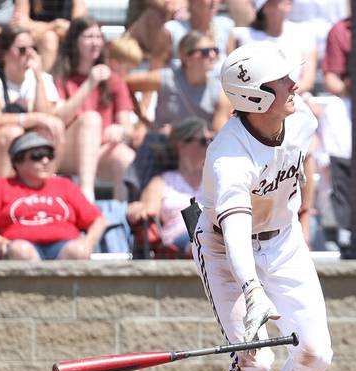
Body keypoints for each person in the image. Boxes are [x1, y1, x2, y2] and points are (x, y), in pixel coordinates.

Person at [191, 41, 333, 371]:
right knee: (254, 359)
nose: (294, 85)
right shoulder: (228, 156)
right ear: (254, 97)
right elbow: (234, 225)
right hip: (224, 247)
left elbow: (300, 164)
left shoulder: (301, 117)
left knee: (315, 353)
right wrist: (251, 287)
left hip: (285, 239)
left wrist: (303, 217)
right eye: (281, 82)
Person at [0, 131, 107, 260]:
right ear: (18, 162)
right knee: (21, 251)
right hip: (20, 244)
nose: (45, 161)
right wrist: (0, 242)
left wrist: (88, 244)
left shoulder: (64, 185)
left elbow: (97, 220)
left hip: (64, 244)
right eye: (36, 156)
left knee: (77, 251)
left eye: (49, 155)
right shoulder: (2, 185)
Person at [53, 17, 137, 202]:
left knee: (126, 157)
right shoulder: (60, 77)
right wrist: (90, 83)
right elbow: (59, 119)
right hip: (67, 151)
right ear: (74, 41)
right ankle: (87, 197)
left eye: (99, 36)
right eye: (89, 36)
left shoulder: (113, 80)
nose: (95, 42)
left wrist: (121, 131)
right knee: (91, 119)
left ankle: (119, 218)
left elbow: (129, 129)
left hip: (100, 151)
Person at [0, 26, 64, 180]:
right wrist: (34, 118)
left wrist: (38, 77)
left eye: (34, 48)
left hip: (25, 149)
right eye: (22, 49)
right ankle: (6, 196)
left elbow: (47, 119)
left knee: (51, 129)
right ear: (4, 53)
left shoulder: (43, 79)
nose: (30, 55)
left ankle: (46, 190)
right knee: (12, 133)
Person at [128, 116, 209, 256]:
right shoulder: (161, 182)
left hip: (213, 239)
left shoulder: (216, 180)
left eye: (211, 140)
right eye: (203, 141)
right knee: (201, 241)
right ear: (182, 144)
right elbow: (147, 212)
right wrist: (137, 208)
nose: (209, 145)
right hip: (177, 243)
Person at [126, 30, 231, 133]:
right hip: (161, 146)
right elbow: (124, 84)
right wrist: (143, 121)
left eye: (215, 50)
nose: (212, 55)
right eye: (205, 52)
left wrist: (180, 135)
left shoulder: (220, 92)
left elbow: (219, 134)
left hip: (199, 148)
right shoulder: (166, 78)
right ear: (186, 57)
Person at [233, 0, 317, 95]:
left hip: (297, 97)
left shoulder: (304, 33)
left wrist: (287, 95)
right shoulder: (247, 37)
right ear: (265, 6)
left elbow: (308, 79)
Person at [128, 0, 235, 70]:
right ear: (192, 2)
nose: (213, 2)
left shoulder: (225, 27)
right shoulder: (172, 30)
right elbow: (155, 70)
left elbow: (233, 69)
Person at [12, 0, 86, 72]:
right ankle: (44, 82)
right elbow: (20, 23)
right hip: (35, 36)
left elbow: (79, 24)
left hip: (65, 36)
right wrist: (53, 26)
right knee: (49, 38)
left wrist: (63, 28)